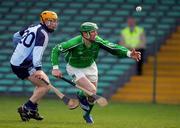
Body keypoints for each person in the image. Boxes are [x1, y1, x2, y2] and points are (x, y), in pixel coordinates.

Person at [51, 22, 141, 124]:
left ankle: (86, 112)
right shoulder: (74, 43)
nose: (96, 33)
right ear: (85, 34)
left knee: (91, 97)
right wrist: (55, 68)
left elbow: (113, 48)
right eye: (93, 31)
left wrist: (129, 53)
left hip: (90, 66)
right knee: (92, 90)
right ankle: (81, 96)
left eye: (95, 31)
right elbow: (56, 50)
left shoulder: (97, 41)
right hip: (75, 68)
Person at [10, 10, 59, 121]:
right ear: (43, 21)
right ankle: (26, 108)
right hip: (22, 65)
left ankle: (32, 109)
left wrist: (20, 50)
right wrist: (38, 69)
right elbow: (37, 53)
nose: (53, 24)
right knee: (45, 86)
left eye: (55, 21)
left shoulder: (33, 27)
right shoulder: (43, 34)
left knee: (44, 83)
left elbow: (15, 36)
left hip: (19, 62)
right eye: (50, 21)